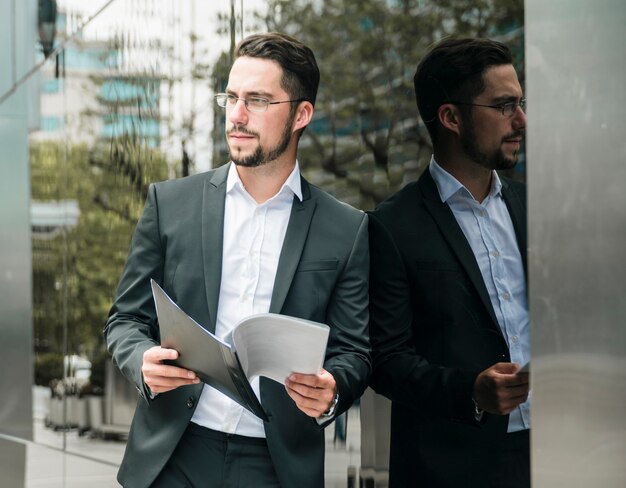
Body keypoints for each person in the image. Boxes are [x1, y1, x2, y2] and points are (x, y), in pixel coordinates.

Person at [104, 32, 370, 488]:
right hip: (173, 456)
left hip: (274, 464)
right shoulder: (170, 204)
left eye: (258, 100)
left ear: (301, 114)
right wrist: (143, 359)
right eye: (231, 97)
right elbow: (125, 319)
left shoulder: (346, 230)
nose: (238, 116)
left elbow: (355, 353)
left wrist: (331, 391)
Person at [368, 37, 530, 488]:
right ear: (451, 117)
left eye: (520, 103)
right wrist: (471, 393)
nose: (520, 120)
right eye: (503, 106)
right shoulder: (391, 225)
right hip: (452, 466)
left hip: (553, 450)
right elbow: (386, 360)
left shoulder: (537, 209)